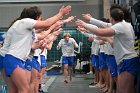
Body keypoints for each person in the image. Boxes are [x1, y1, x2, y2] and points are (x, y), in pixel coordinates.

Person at [2, 5, 71, 93]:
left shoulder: (26, 30)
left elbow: (43, 33)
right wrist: (61, 13)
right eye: (40, 18)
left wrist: (53, 28)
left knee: (15, 89)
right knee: (24, 88)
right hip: (13, 58)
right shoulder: (24, 22)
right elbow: (46, 24)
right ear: (36, 17)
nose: (40, 21)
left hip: (13, 58)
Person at [76, 7, 140, 93]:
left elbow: (100, 32)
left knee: (122, 90)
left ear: (112, 18)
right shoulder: (125, 24)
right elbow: (104, 25)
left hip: (128, 61)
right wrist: (90, 19)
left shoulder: (120, 26)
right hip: (127, 60)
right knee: (125, 89)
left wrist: (84, 24)